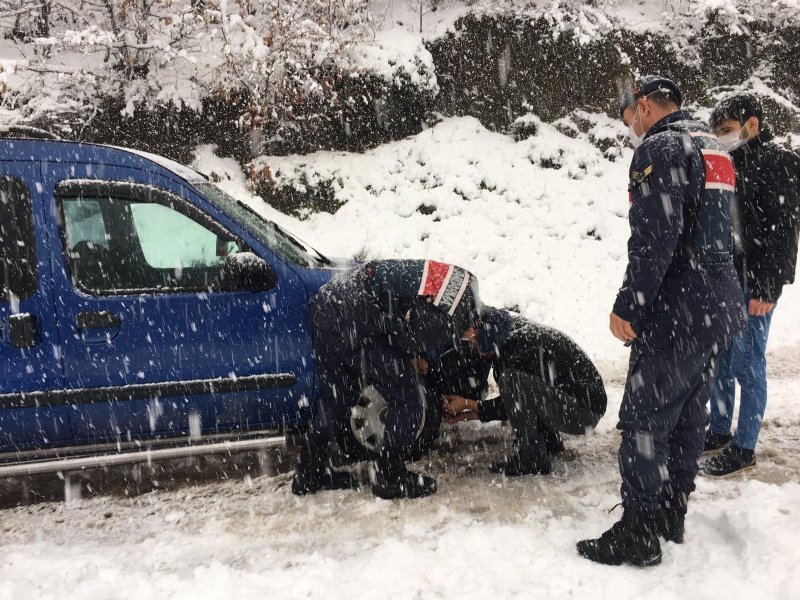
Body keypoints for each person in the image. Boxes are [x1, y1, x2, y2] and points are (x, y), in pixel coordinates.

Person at [576, 75, 746, 567]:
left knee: (647, 421)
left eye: (629, 115)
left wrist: (629, 304)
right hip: (717, 305)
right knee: (689, 417)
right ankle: (671, 514)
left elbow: (655, 238)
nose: (630, 126)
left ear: (645, 106)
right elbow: (727, 232)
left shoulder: (664, 147)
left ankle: (639, 531)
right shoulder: (713, 145)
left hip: (679, 310)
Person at [292, 259, 482, 500]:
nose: (470, 344)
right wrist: (415, 357)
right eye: (474, 343)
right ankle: (389, 478)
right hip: (357, 318)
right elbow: (407, 342)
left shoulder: (468, 282)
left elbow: (411, 311)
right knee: (408, 395)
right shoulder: (452, 320)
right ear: (475, 329)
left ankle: (309, 474)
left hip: (330, 301)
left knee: (339, 396)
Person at [703, 93, 800, 476]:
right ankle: (719, 431)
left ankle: (745, 448)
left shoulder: (780, 162)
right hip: (730, 280)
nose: (722, 137)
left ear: (752, 124)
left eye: (727, 130)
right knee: (723, 360)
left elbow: (784, 233)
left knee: (748, 362)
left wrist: (768, 288)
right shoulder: (731, 164)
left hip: (756, 285)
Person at [432, 307, 606, 476]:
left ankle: (533, 459)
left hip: (583, 413)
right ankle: (548, 442)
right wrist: (466, 413)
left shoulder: (518, 348)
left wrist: (468, 406)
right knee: (522, 384)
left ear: (485, 336)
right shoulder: (507, 331)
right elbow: (527, 399)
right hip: (577, 402)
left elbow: (511, 403)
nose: (472, 346)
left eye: (473, 340)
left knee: (512, 381)